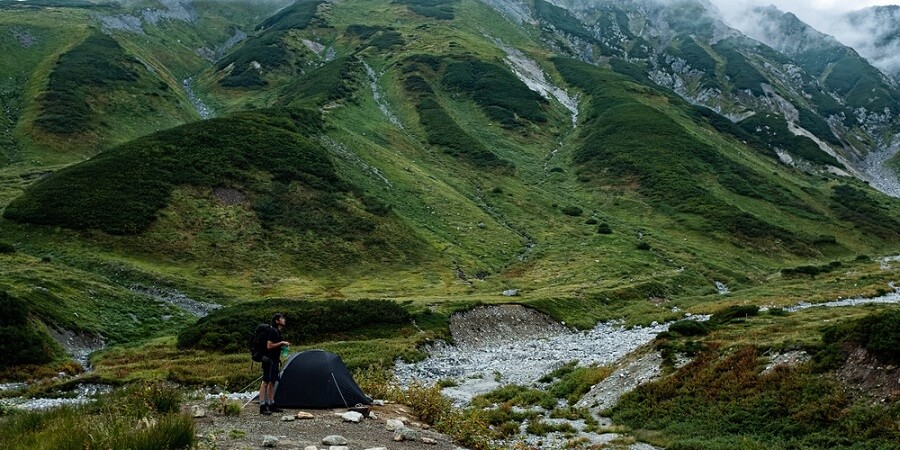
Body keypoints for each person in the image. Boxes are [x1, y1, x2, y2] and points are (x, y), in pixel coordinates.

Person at [259, 313, 290, 415]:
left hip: (275, 360)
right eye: (281, 318)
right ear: (277, 321)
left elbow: (274, 346)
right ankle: (262, 406)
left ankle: (271, 404)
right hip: (269, 360)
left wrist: (282, 346)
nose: (284, 319)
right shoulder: (272, 330)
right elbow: (269, 346)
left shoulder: (278, 332)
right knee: (265, 381)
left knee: (272, 381)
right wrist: (281, 343)